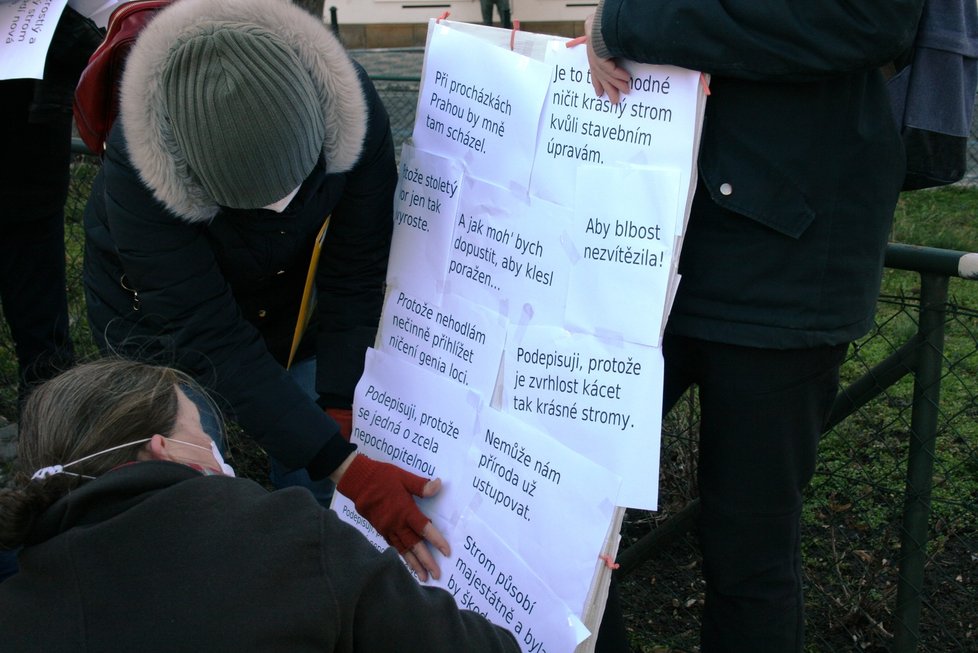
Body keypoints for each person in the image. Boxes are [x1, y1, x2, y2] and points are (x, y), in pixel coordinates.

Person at [584, 2, 926, 651]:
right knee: (558, 498)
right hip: (648, 231)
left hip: (786, 258)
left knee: (748, 551)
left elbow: (864, 18)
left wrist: (629, 22)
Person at [81, 0, 450, 580]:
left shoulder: (351, 107)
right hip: (156, 322)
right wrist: (344, 464)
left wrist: (340, 403)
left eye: (298, 188)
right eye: (251, 203)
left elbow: (353, 269)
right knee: (183, 482)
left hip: (290, 302)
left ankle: (316, 566)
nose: (282, 212)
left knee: (309, 439)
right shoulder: (142, 166)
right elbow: (207, 335)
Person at [0, 359, 520, 652]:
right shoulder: (281, 536)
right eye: (201, 432)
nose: (217, 454)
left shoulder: (18, 615)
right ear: (163, 449)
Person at [0, 6, 101, 411]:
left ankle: (50, 461)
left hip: (29, 182)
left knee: (44, 351)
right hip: (30, 178)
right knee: (44, 349)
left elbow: (87, 45)